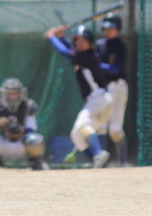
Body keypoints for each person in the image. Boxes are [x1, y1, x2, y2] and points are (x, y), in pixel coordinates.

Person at [45, 24, 113, 169]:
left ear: (90, 42)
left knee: (82, 126)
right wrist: (62, 37)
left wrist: (52, 37)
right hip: (98, 101)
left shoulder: (88, 56)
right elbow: (71, 48)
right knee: (76, 134)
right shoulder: (82, 54)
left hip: (99, 98)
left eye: (84, 41)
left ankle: (99, 153)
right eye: (78, 41)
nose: (80, 43)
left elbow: (65, 52)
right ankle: (97, 161)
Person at [0, 78, 49, 171]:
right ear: (3, 94)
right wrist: (0, 125)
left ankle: (36, 162)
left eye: (16, 93)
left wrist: (16, 129)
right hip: (3, 144)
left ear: (22, 93)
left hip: (21, 145)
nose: (13, 96)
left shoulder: (29, 106)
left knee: (35, 139)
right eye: (10, 93)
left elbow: (30, 130)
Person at [96, 12, 129, 165]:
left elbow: (116, 69)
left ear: (118, 29)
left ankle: (123, 162)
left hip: (118, 88)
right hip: (103, 89)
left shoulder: (121, 46)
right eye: (106, 28)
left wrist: (96, 64)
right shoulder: (99, 45)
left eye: (112, 28)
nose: (108, 31)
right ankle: (100, 162)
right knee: (100, 127)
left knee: (115, 129)